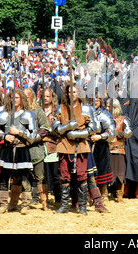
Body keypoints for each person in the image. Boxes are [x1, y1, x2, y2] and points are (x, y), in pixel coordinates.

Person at [51, 84, 97, 215]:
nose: (72, 95)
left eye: (75, 92)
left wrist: (78, 134)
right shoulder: (61, 108)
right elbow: (54, 127)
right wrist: (66, 127)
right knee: (64, 176)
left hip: (80, 145)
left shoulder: (86, 109)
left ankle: (82, 206)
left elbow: (95, 127)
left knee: (82, 176)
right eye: (70, 92)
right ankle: (65, 205)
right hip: (64, 144)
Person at [0, 88, 38, 215]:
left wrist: (19, 132)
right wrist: (4, 136)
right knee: (4, 177)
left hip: (22, 148)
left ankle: (25, 204)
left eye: (17, 97)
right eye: (12, 97)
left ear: (22, 99)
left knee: (25, 178)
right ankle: (3, 204)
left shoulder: (28, 115)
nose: (14, 100)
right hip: (7, 149)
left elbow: (33, 135)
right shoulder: (2, 114)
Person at [24, 87, 49, 211]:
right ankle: (26, 202)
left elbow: (45, 128)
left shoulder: (38, 111)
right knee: (25, 177)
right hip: (22, 148)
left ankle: (44, 202)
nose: (25, 100)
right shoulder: (19, 112)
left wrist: (34, 138)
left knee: (40, 176)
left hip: (35, 149)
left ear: (32, 98)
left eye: (27, 97)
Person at [107, 98, 132, 202]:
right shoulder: (104, 118)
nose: (107, 108)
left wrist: (117, 133)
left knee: (120, 173)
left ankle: (119, 195)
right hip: (107, 149)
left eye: (109, 106)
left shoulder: (123, 119)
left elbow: (129, 133)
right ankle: (104, 193)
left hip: (119, 149)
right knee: (106, 172)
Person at [91, 95, 115, 201]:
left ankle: (103, 196)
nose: (95, 102)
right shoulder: (86, 112)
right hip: (87, 145)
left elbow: (112, 132)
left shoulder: (105, 115)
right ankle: (91, 196)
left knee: (101, 171)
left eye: (97, 100)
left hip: (100, 146)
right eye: (93, 100)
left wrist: (100, 136)